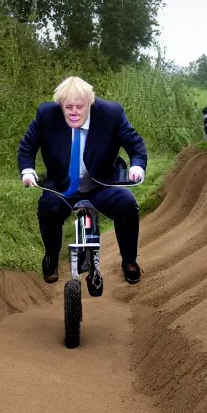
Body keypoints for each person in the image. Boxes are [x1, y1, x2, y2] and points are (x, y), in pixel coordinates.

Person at [18, 75, 146, 287]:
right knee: (47, 206)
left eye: (80, 106)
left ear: (90, 104)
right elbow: (27, 146)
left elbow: (135, 144)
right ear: (61, 106)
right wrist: (28, 171)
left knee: (127, 203)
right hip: (62, 187)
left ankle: (130, 261)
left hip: (101, 184)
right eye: (69, 107)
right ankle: (51, 256)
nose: (74, 112)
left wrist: (137, 166)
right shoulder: (46, 115)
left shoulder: (111, 114)